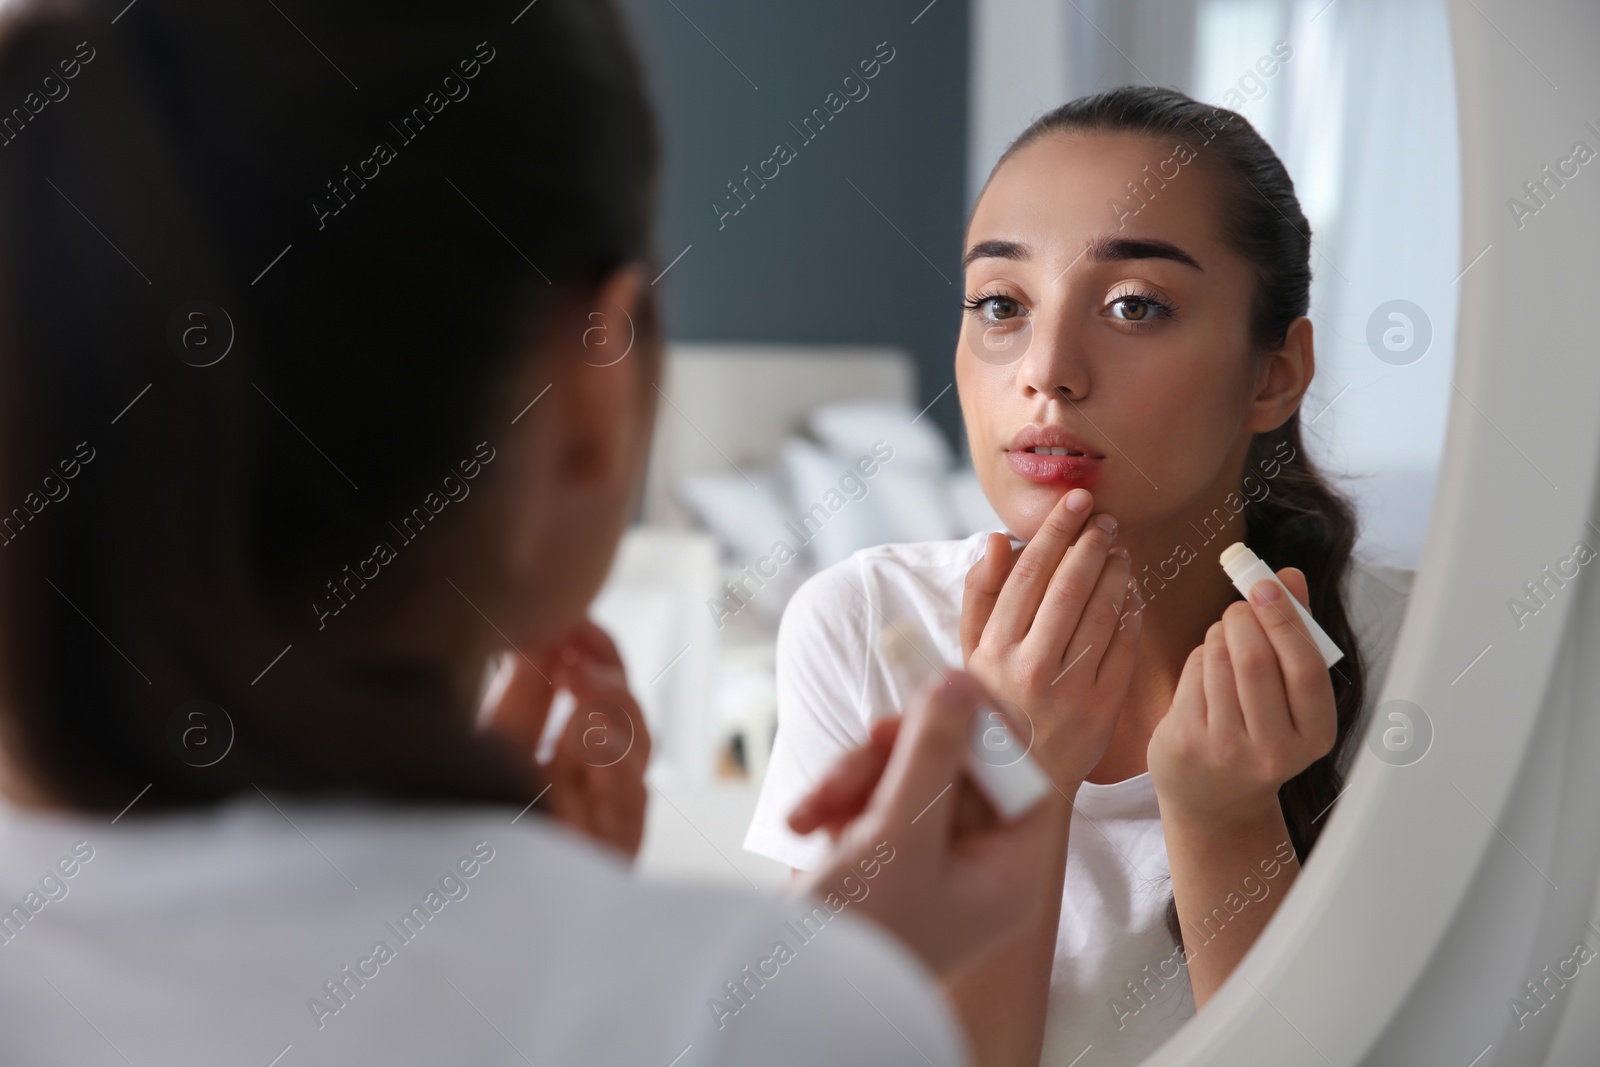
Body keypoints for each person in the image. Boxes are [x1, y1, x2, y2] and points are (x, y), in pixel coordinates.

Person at [0, 2, 1074, 1063]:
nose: (1048, 376)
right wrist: (808, 986)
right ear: (587, 398)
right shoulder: (771, 1014)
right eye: (997, 303)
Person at [743, 86, 1415, 1066]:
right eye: (1001, 305)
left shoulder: (1417, 649)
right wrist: (1015, 783)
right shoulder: (863, 621)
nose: (1047, 369)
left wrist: (1226, 821)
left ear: (1273, 373)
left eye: (1134, 305)